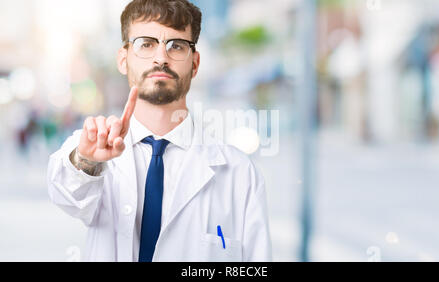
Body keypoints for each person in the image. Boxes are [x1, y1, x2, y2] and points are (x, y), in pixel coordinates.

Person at [47, 0, 271, 262]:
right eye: (146, 44)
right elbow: (67, 194)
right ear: (123, 59)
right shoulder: (93, 149)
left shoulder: (240, 173)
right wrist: (87, 161)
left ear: (195, 63)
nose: (161, 58)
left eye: (176, 46)